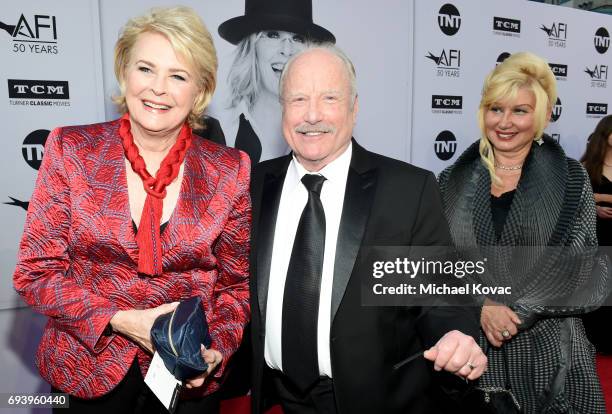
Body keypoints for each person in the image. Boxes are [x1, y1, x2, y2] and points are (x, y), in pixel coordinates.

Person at [13, 7, 250, 413]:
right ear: (124, 71)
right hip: (86, 370)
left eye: (178, 76)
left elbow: (235, 287)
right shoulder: (71, 151)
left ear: (200, 90)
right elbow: (35, 273)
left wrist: (219, 350)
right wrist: (121, 320)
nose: (158, 88)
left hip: (186, 377)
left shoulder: (229, 170)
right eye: (146, 68)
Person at [249, 44, 486, 414]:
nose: (312, 115)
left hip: (376, 401)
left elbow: (441, 294)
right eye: (298, 99)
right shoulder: (251, 185)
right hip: (276, 399)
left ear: (354, 108)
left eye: (329, 97)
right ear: (282, 108)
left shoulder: (408, 190)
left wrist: (455, 333)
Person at [438, 52, 610, 413]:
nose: (505, 122)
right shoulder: (451, 182)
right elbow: (439, 262)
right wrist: (483, 304)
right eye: (495, 109)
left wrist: (513, 309)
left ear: (544, 116)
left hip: (551, 354)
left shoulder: (571, 178)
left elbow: (585, 269)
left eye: (520, 110)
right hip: (474, 352)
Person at [218, 0, 335, 164]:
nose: (287, 51)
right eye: (273, 35)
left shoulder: (324, 138)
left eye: (297, 38)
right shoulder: (220, 131)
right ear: (252, 47)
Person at [581, 114, 612, 353]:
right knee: (599, 289)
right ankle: (595, 340)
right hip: (597, 236)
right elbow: (575, 199)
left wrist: (601, 197)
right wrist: (596, 205)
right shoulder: (586, 167)